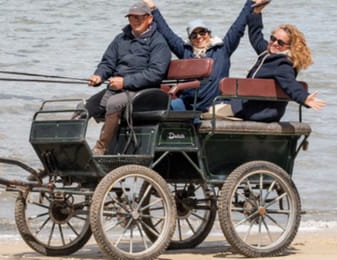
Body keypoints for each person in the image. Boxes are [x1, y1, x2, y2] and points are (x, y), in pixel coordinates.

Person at [82, 2, 170, 155]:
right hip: (115, 89)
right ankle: (68, 151)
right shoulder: (120, 39)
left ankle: (100, 149)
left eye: (139, 17)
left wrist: (125, 81)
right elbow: (107, 63)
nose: (135, 21)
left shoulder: (159, 42)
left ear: (149, 19)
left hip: (143, 92)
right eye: (131, 17)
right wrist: (99, 75)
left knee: (114, 103)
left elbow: (156, 73)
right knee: (83, 109)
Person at [142, 0, 256, 113]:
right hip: (188, 103)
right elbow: (167, 33)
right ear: (190, 39)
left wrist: (251, 3)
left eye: (202, 32)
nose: (199, 37)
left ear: (209, 34)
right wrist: (153, 9)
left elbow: (238, 27)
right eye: (194, 35)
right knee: (162, 108)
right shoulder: (185, 51)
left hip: (213, 104)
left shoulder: (223, 49)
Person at [230, 0, 326, 122]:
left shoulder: (283, 64)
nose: (275, 43)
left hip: (260, 112)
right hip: (258, 108)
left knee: (213, 104)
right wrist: (256, 12)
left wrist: (305, 98)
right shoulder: (268, 53)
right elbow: (256, 36)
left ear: (289, 47)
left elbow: (290, 84)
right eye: (272, 38)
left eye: (280, 42)